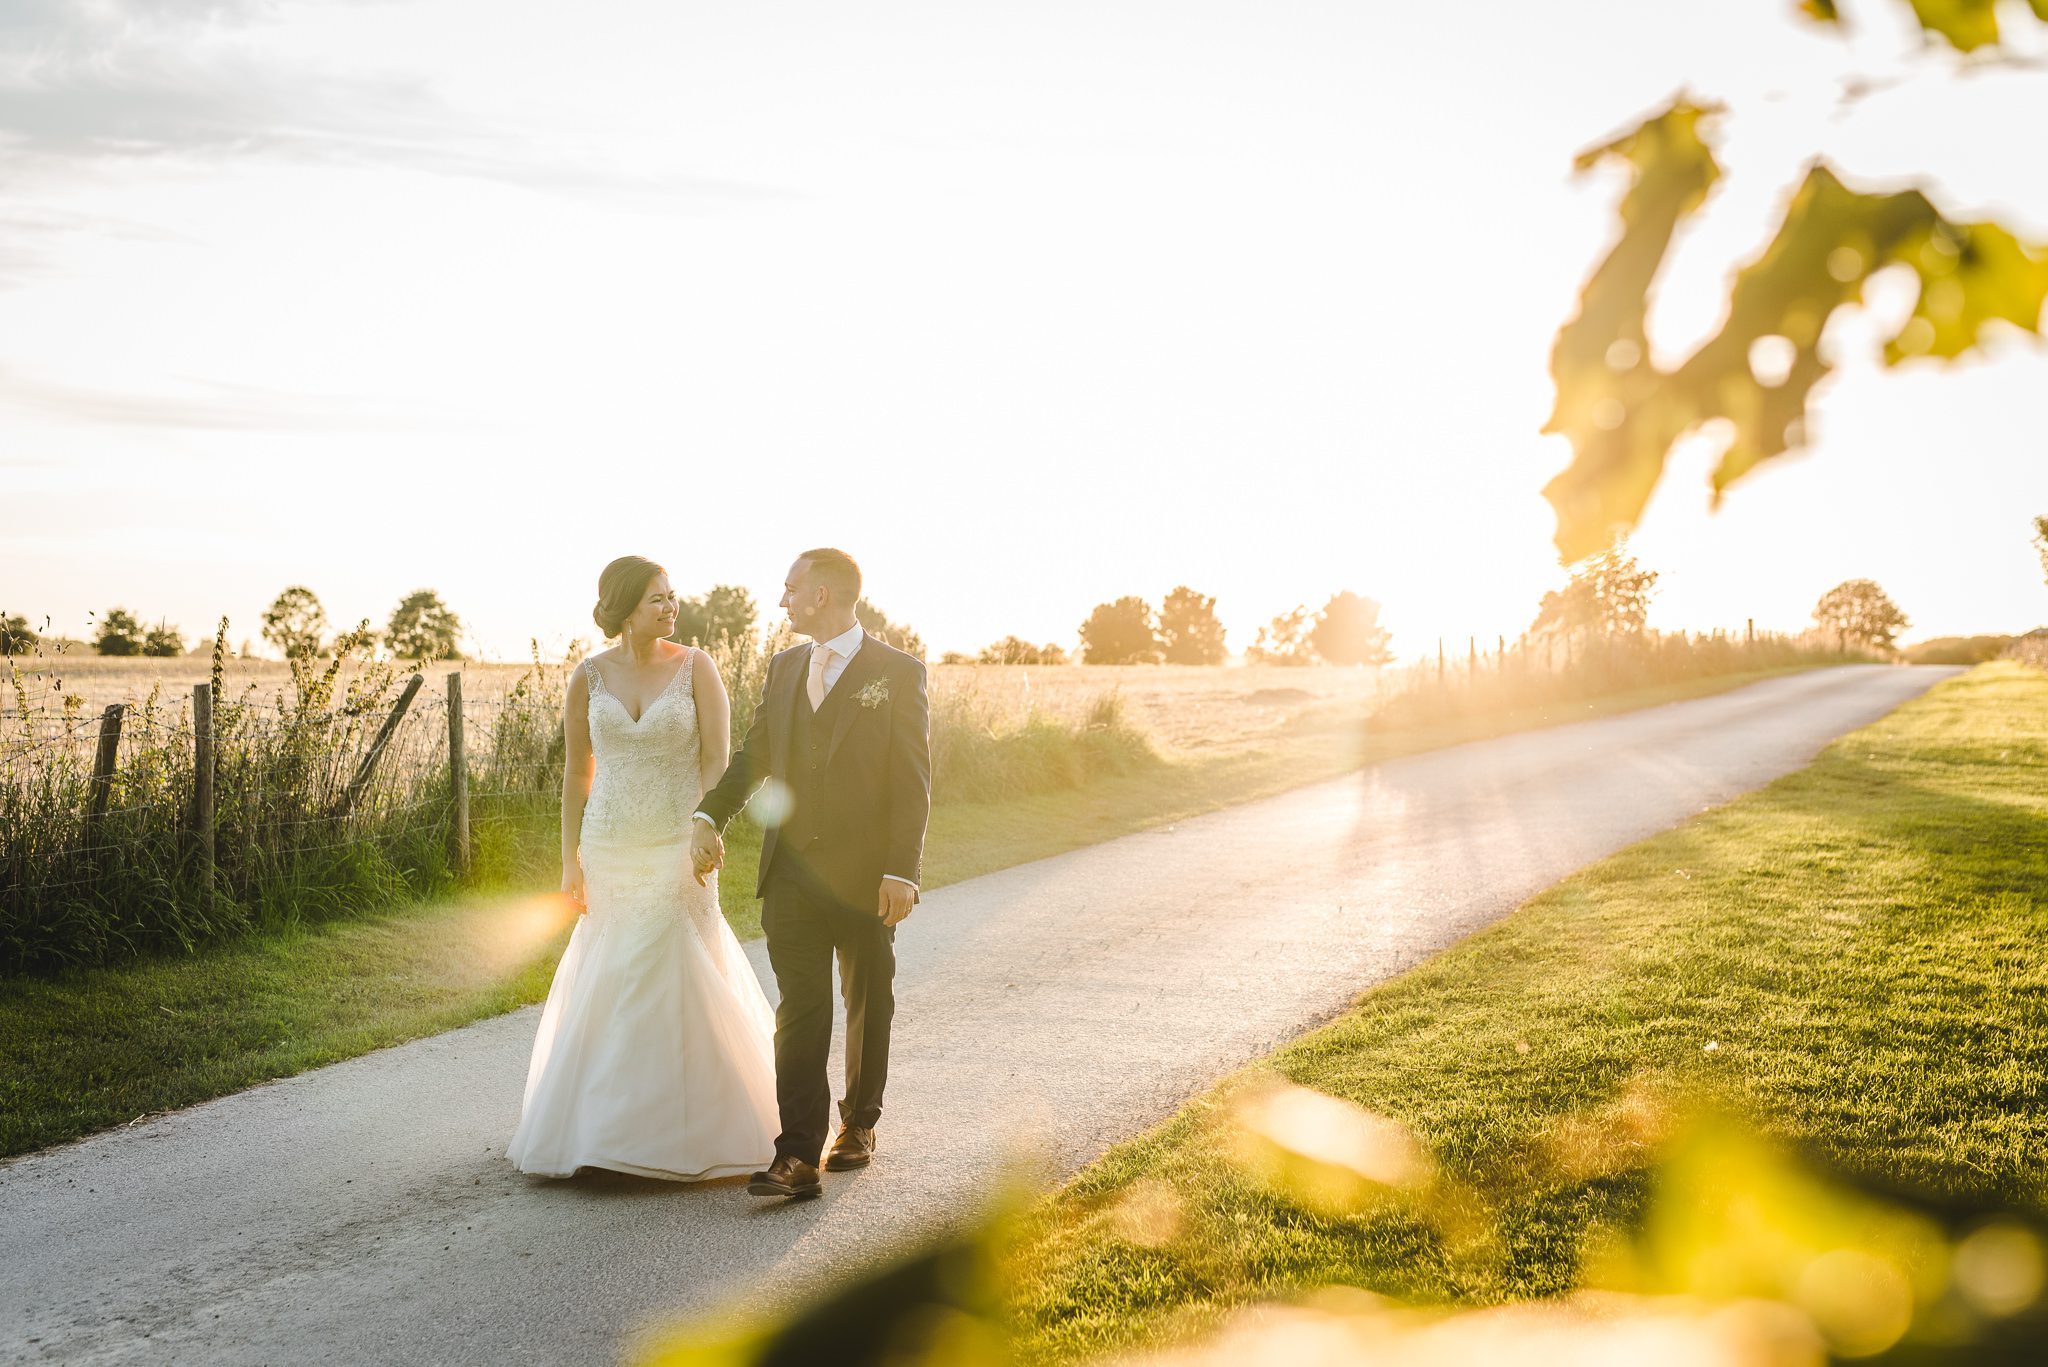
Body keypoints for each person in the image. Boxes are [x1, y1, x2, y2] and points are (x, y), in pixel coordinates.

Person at [507, 556, 778, 1181]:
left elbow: (717, 761)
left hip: (677, 838)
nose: (671, 606)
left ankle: (681, 1131)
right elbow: (579, 771)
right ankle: (606, 1134)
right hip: (608, 843)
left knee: (669, 965)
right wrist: (568, 859)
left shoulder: (696, 668)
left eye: (672, 596)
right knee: (617, 969)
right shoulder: (588, 676)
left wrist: (709, 827)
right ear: (625, 606)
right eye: (658, 597)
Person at [692, 547, 932, 1199]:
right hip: (792, 873)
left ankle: (858, 1122)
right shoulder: (785, 667)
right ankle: (796, 1153)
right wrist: (709, 816)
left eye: (790, 588)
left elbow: (912, 783)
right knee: (800, 1008)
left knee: (867, 996)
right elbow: (754, 757)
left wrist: (900, 870)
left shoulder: (898, 672)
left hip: (866, 874)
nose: (782, 600)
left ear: (821, 595)